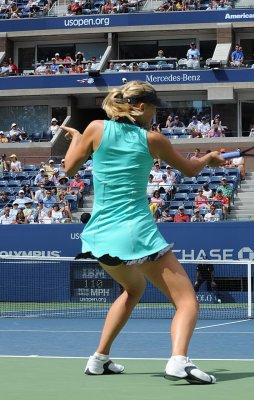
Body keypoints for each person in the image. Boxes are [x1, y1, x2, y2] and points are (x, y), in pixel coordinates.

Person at [61, 80, 223, 384]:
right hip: (136, 233)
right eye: (152, 107)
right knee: (187, 301)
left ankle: (99, 359)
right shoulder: (153, 139)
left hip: (99, 235)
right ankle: (179, 361)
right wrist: (209, 159)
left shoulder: (95, 128)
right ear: (139, 107)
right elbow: (190, 170)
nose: (154, 113)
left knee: (133, 290)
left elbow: (68, 168)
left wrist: (77, 138)